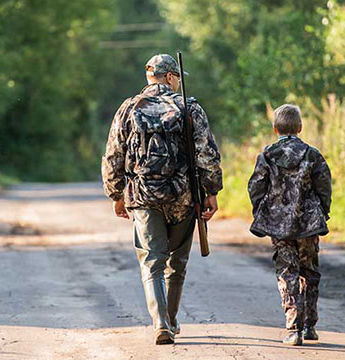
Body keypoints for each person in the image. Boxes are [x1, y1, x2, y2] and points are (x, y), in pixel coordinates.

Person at [102, 54, 223, 345]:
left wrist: (116, 193)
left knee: (151, 261)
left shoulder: (129, 108)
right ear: (170, 77)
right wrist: (211, 192)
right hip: (183, 195)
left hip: (143, 195)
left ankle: (161, 323)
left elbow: (113, 155)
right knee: (177, 261)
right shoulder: (189, 107)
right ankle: (170, 317)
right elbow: (207, 154)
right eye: (178, 77)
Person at [247, 104, 332, 346]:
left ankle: (293, 329)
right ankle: (310, 326)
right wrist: (323, 211)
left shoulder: (267, 155)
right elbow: (324, 185)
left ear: (275, 129)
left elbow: (255, 186)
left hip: (279, 225)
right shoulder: (312, 154)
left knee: (287, 272)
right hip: (309, 223)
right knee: (310, 271)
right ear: (300, 127)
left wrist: (261, 210)